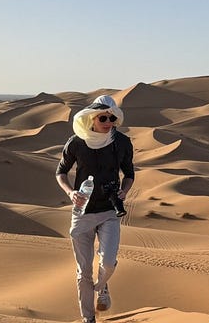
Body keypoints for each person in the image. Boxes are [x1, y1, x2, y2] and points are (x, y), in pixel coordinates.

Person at [56, 95, 135, 323]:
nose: (109, 122)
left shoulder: (121, 142)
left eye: (112, 118)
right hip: (82, 213)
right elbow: (61, 172)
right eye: (103, 118)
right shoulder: (76, 142)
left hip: (110, 210)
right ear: (92, 117)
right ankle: (88, 318)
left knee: (108, 262)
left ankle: (101, 287)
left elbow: (129, 174)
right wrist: (70, 192)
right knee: (84, 272)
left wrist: (124, 191)